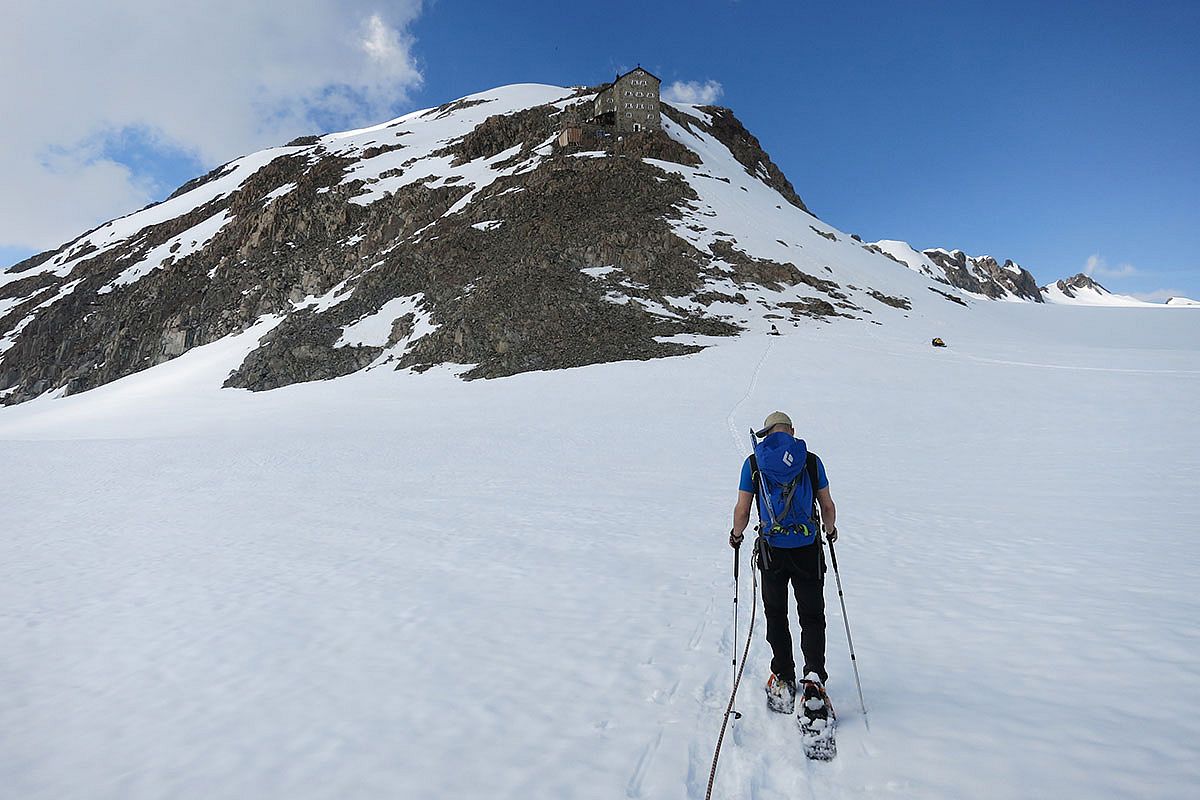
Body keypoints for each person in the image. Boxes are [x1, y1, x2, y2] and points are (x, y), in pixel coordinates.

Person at [729, 411, 837, 716]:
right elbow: (826, 505)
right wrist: (830, 531)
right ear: (791, 430)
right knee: (812, 615)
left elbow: (742, 511)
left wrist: (736, 536)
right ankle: (814, 676)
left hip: (772, 550)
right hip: (808, 548)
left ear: (768, 433)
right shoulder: (811, 461)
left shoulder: (754, 464)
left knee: (776, 614)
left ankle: (783, 676)